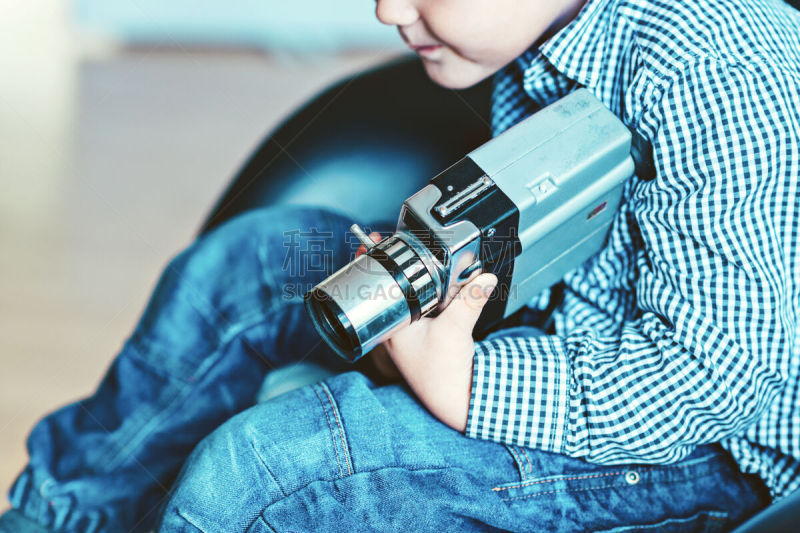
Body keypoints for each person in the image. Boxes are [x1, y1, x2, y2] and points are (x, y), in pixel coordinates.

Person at [3, 0, 800, 530]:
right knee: (253, 261)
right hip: (557, 323)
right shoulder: (539, 36)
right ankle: (54, 515)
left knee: (274, 466)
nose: (387, 8)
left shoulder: (718, 72)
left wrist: (469, 384)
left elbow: (719, 373)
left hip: (698, 443)